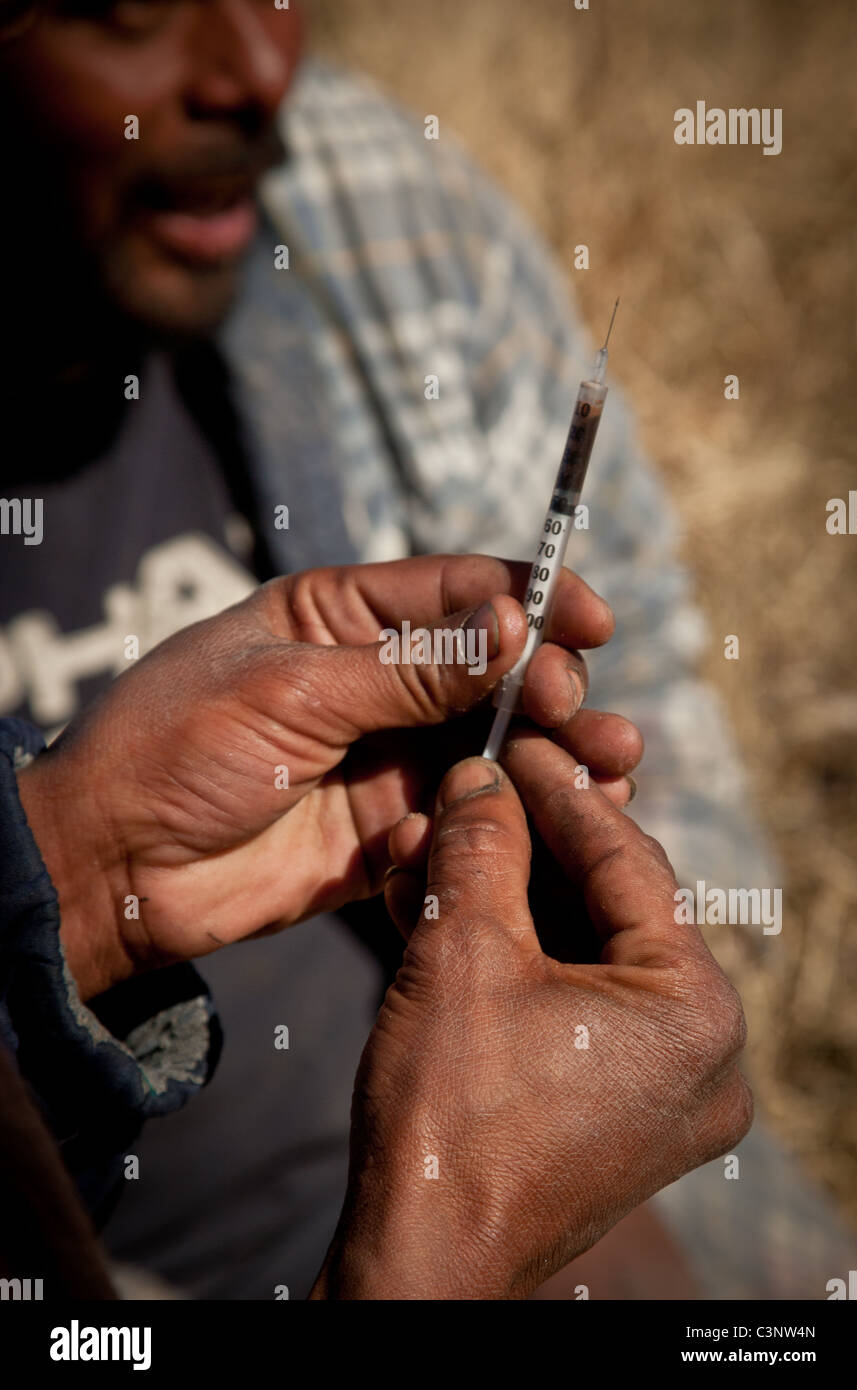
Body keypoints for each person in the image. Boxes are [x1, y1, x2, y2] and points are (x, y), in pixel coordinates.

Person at [0, 0, 767, 1297]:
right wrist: (445, 1242)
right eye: (130, 8)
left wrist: (76, 873)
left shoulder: (364, 195)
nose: (257, 69)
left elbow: (659, 692)